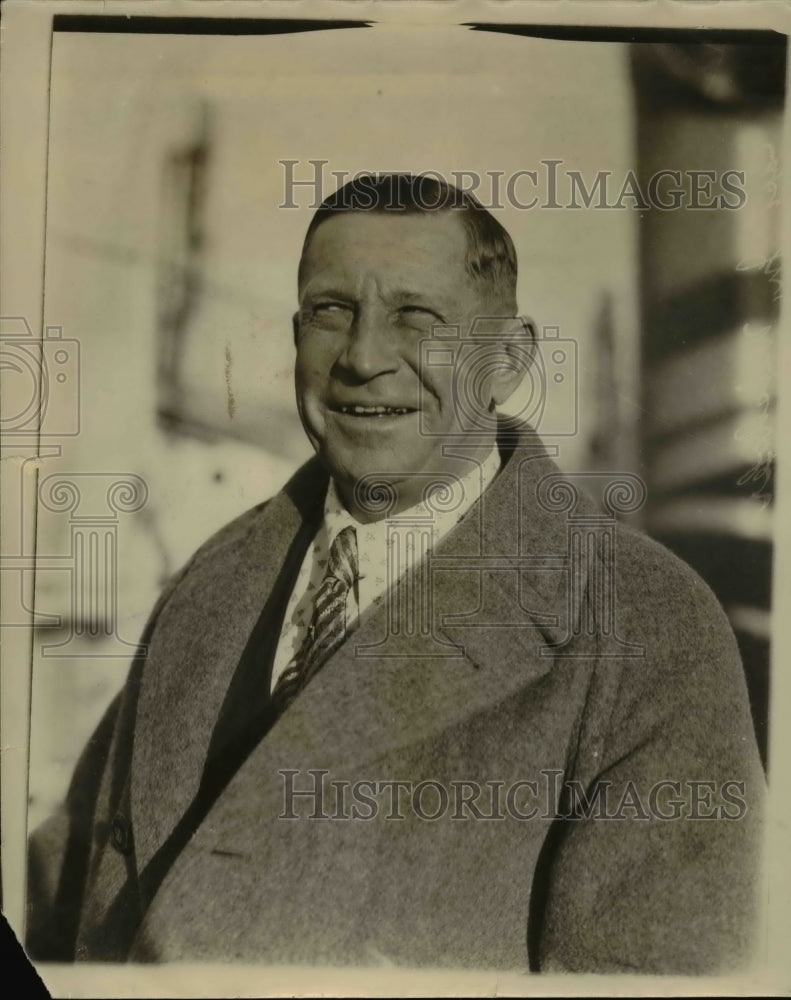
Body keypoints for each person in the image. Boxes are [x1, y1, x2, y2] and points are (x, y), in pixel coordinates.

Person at [26, 174, 764, 973]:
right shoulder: (212, 581)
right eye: (330, 311)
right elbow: (55, 892)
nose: (362, 358)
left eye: (417, 315)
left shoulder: (646, 626)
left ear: (509, 359)